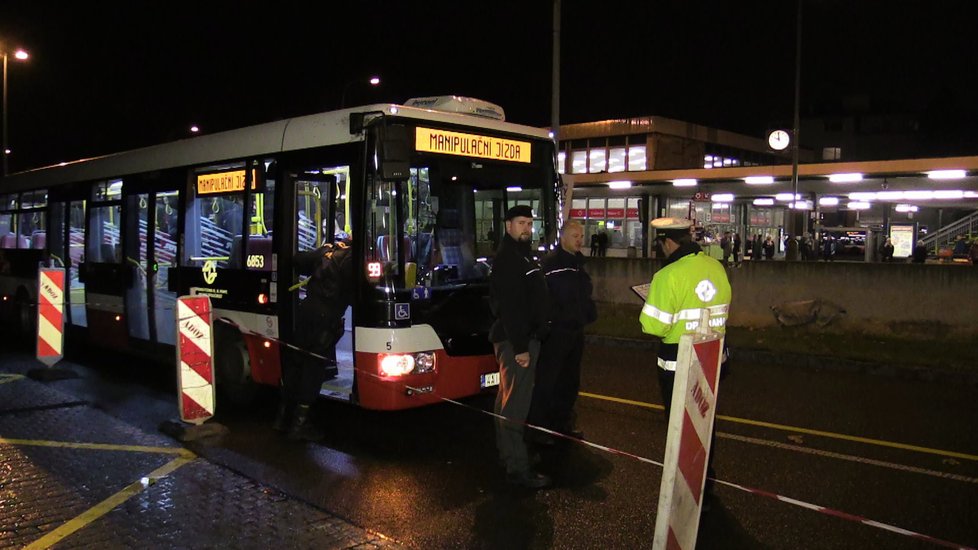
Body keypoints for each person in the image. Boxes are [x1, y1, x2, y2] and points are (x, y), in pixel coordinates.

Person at [639, 217, 731, 501]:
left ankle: (684, 488)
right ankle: (707, 479)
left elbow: (653, 326)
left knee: (680, 425)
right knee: (705, 423)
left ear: (668, 242)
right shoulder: (715, 267)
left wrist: (651, 303)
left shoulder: (668, 276)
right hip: (712, 357)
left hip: (678, 364)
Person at [489, 205, 552, 489]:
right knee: (516, 405)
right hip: (519, 341)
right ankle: (518, 468)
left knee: (507, 400)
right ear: (508, 226)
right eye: (521, 223)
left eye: (529, 223)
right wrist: (521, 347)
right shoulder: (509, 259)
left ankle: (508, 456)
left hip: (521, 339)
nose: (527, 228)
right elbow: (511, 308)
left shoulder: (521, 255)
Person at [276, 239, 354, 441]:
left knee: (296, 363)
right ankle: (299, 425)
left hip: (306, 311)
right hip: (325, 318)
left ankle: (283, 418)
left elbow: (298, 260)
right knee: (314, 367)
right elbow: (355, 293)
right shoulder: (351, 258)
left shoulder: (328, 250)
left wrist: (322, 251)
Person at [528, 221, 596, 444]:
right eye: (575, 235)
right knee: (548, 382)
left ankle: (562, 424)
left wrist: (587, 314)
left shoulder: (577, 264)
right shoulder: (552, 265)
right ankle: (540, 429)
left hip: (575, 331)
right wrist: (549, 323)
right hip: (557, 332)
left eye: (582, 235)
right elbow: (546, 298)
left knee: (569, 382)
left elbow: (581, 296)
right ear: (563, 237)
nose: (580, 239)